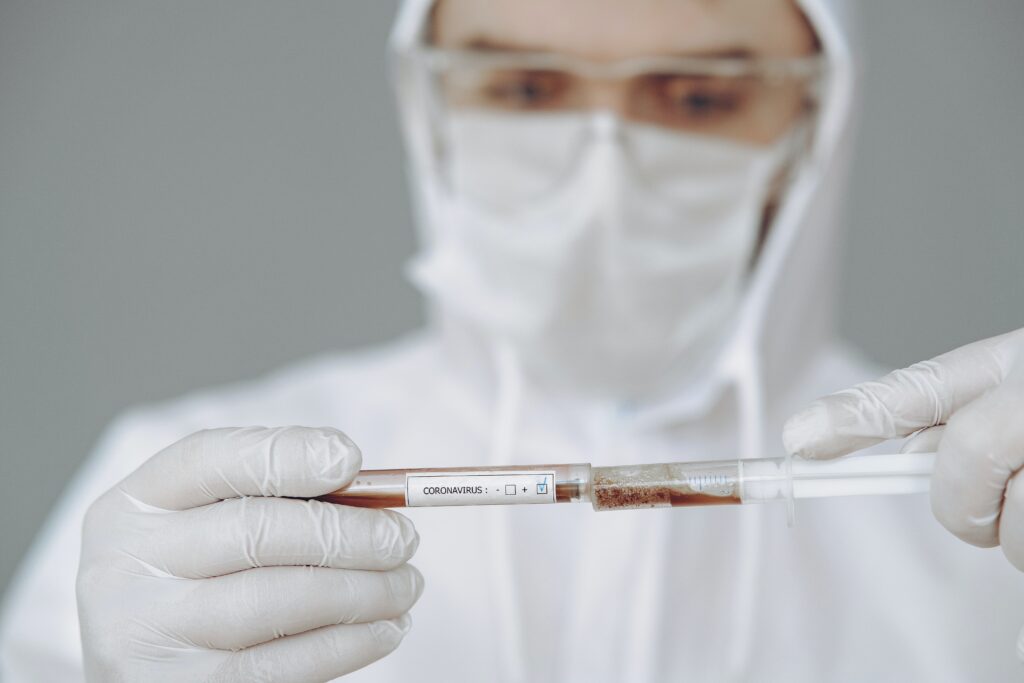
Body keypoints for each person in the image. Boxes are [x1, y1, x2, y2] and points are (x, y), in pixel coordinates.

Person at [1, 0, 1021, 680]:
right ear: (429, 105)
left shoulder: (979, 509)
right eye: (526, 90)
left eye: (701, 95)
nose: (602, 165)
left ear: (816, 123)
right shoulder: (183, 513)